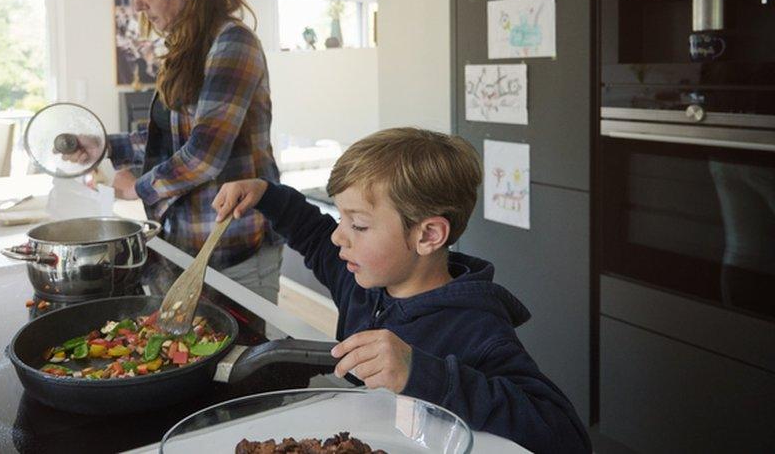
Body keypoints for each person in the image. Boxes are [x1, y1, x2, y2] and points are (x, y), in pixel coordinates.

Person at [212, 127, 592, 454]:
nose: (338, 235)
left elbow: (566, 437)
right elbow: (312, 231)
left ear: (428, 235)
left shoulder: (477, 327)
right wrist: (264, 193)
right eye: (341, 216)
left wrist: (423, 374)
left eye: (358, 225)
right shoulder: (361, 281)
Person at [68, 0, 282, 302]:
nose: (138, 5)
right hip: (187, 244)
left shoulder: (233, 42)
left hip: (233, 244)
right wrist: (102, 146)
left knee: (242, 359)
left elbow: (203, 154)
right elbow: (171, 137)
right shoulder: (186, 50)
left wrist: (138, 187)